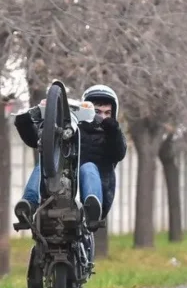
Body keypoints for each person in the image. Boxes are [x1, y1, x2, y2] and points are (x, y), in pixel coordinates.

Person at [13, 84, 127, 229]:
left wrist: (113, 129)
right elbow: (38, 140)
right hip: (62, 188)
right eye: (97, 112)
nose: (102, 117)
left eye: (107, 113)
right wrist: (25, 121)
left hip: (97, 192)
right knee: (43, 164)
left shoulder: (111, 136)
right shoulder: (71, 130)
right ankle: (27, 206)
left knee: (88, 167)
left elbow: (119, 152)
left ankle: (92, 207)